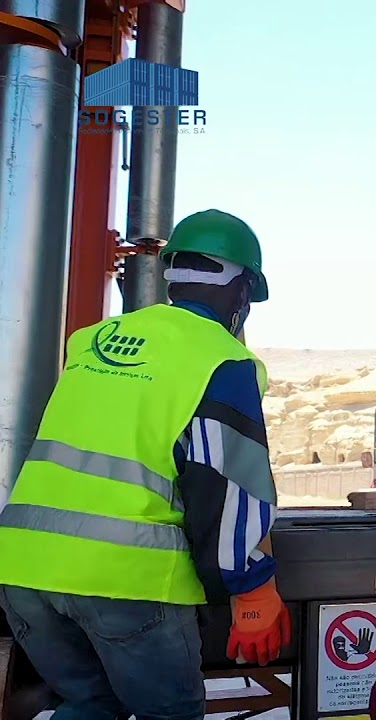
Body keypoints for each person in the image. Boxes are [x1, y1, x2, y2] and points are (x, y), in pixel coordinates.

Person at [0, 209, 291, 720]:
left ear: (172, 275)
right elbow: (226, 486)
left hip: (23, 568)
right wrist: (252, 591)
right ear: (242, 291)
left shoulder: (93, 340)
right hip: (124, 577)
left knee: (91, 705)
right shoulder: (221, 361)